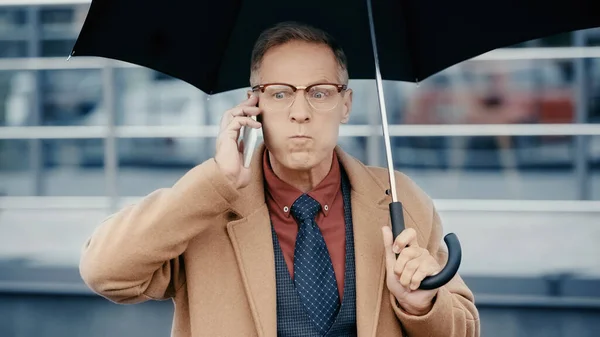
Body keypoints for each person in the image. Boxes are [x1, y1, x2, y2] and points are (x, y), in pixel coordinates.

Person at [79, 21, 480, 337]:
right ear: (253, 105)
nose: (300, 112)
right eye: (280, 93)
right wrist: (214, 181)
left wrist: (422, 304)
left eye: (320, 93)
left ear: (346, 103)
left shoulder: (400, 200)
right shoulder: (208, 207)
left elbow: (465, 328)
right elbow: (105, 271)